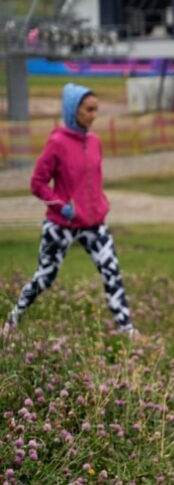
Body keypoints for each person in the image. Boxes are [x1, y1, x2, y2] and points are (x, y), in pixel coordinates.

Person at [4, 84, 134, 335]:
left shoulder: (95, 142)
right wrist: (61, 207)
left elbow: (93, 179)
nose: (94, 115)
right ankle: (12, 319)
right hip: (61, 225)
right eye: (89, 110)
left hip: (95, 224)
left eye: (96, 110)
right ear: (73, 110)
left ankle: (127, 329)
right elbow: (37, 183)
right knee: (45, 277)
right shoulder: (57, 143)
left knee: (112, 273)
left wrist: (100, 203)